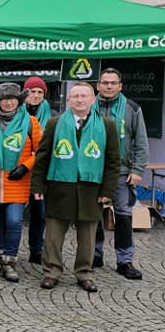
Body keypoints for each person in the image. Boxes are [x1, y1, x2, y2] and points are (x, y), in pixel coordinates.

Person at [32, 82, 120, 292]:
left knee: (88, 237)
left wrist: (107, 191)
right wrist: (38, 186)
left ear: (92, 99)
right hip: (60, 187)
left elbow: (113, 160)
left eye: (84, 96)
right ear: (68, 100)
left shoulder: (107, 125)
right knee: (53, 234)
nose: (80, 100)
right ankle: (51, 271)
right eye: (76, 96)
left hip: (91, 189)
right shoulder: (55, 123)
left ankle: (84, 273)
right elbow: (42, 156)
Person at [0, 83, 42, 282]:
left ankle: (10, 260)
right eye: (4, 99)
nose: (8, 102)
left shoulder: (31, 122)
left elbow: (40, 151)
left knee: (15, 221)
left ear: (19, 100)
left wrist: (25, 167)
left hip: (18, 180)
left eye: (12, 99)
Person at [93, 67, 148, 280]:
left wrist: (137, 169)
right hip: (94, 171)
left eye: (112, 83)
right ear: (98, 85)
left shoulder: (132, 109)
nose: (108, 86)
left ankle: (125, 261)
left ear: (120, 86)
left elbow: (141, 142)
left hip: (122, 173)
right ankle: (95, 254)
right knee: (93, 214)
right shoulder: (88, 105)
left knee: (124, 215)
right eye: (104, 82)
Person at [23, 76, 55, 264]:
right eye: (31, 92)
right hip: (20, 171)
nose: (35, 96)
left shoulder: (52, 117)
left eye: (39, 92)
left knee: (39, 214)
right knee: (13, 216)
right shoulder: (16, 114)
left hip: (42, 172)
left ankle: (36, 250)